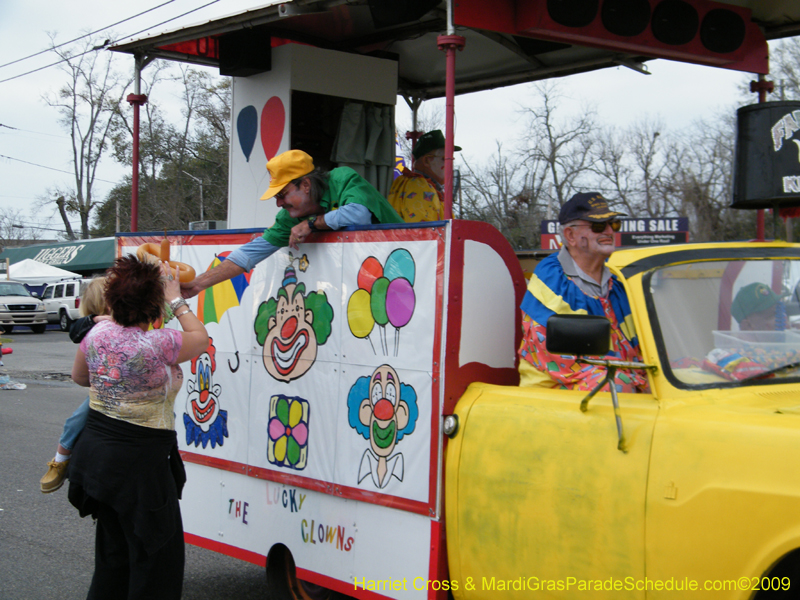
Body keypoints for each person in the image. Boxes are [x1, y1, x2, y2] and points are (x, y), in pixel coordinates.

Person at [68, 257, 209, 600]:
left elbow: (80, 377)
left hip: (98, 458)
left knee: (112, 559)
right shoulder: (160, 343)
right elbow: (200, 338)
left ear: (112, 300)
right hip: (141, 465)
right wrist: (176, 299)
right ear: (154, 304)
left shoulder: (97, 333)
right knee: (156, 562)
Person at [181, 149, 403, 298]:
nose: (279, 203)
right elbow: (249, 254)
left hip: (400, 269)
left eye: (282, 194)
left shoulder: (342, 177)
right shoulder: (289, 216)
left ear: (306, 185)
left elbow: (358, 214)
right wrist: (199, 283)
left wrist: (311, 224)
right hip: (365, 284)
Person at [518, 192, 648, 392]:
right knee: (619, 385)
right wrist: (633, 378)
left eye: (613, 224)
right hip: (557, 387)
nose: (609, 231)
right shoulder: (551, 278)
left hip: (620, 375)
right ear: (570, 235)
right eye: (598, 226)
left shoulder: (618, 280)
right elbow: (554, 355)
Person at [39, 277, 111, 493]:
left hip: (126, 385)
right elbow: (75, 331)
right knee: (76, 419)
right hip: (104, 386)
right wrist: (96, 319)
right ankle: (60, 459)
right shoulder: (95, 323)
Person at [387, 129, 460, 222]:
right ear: (426, 161)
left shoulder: (406, 182)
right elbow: (425, 229)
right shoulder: (420, 187)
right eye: (445, 159)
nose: (450, 165)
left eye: (451, 159)